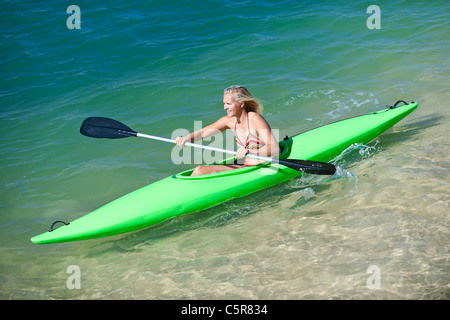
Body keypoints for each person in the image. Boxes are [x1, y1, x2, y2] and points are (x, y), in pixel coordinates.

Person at [175, 85, 280, 176]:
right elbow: (202, 133)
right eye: (224, 104)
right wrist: (186, 139)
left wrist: (250, 151)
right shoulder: (228, 121)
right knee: (199, 170)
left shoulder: (254, 119)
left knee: (199, 171)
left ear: (242, 104)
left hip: (260, 167)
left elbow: (275, 149)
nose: (225, 107)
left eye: (229, 104)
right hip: (245, 166)